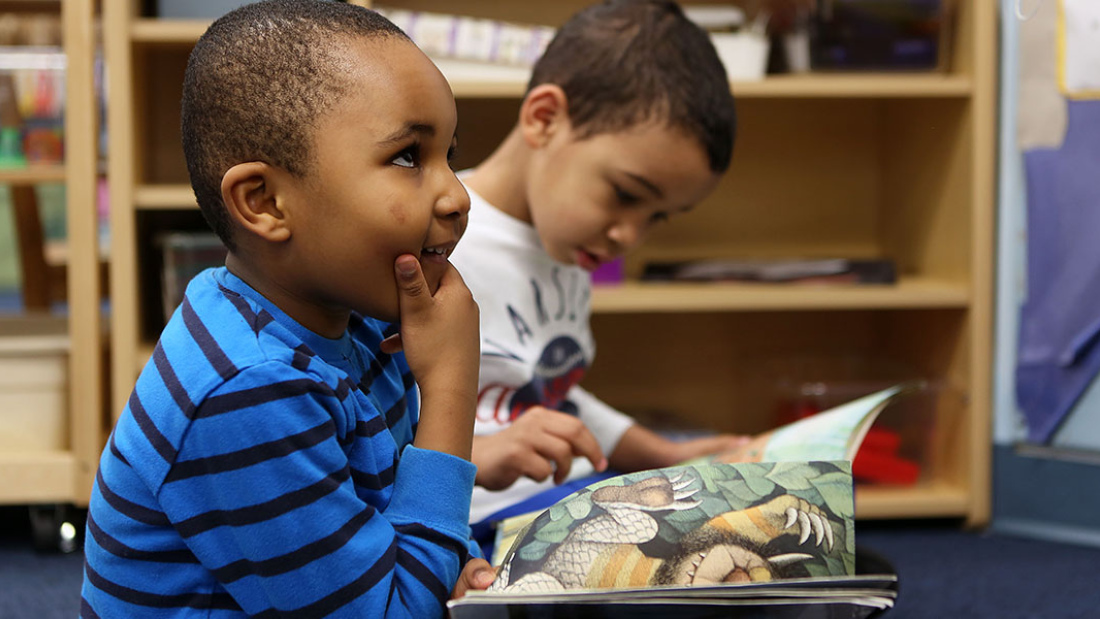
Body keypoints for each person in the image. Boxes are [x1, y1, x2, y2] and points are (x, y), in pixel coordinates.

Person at [81, 1, 494, 616]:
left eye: (448, 156)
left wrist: (452, 562)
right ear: (265, 202)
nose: (457, 195)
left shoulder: (351, 318)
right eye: (408, 157)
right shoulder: (248, 387)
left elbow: (380, 506)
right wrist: (453, 388)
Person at [448, 0, 748, 549]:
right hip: (471, 521)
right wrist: (474, 460)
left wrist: (666, 454)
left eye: (655, 217)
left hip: (560, 499)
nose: (629, 236)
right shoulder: (438, 233)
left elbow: (550, 396)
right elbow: (360, 422)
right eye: (626, 195)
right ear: (544, 119)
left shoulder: (567, 246)